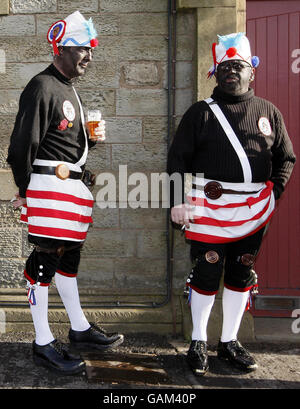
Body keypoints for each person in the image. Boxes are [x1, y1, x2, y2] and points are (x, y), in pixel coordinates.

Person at [167, 32, 296, 375]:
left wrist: (274, 192)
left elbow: (287, 157)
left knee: (241, 271)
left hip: (253, 211)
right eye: (225, 66)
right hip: (208, 210)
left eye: (238, 66)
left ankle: (229, 342)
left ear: (252, 70)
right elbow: (177, 160)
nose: (232, 72)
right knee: (208, 270)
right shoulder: (200, 113)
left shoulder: (269, 111)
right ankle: (197, 341)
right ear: (216, 72)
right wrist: (176, 201)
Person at [7, 11, 123, 375]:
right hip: (48, 190)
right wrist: (25, 191)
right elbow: (22, 145)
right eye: (83, 49)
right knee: (44, 262)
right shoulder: (42, 86)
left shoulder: (69, 88)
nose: (89, 55)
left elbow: (60, 142)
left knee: (68, 260)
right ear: (61, 49)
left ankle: (80, 329)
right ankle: (42, 342)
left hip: (68, 188)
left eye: (91, 49)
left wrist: (88, 145)